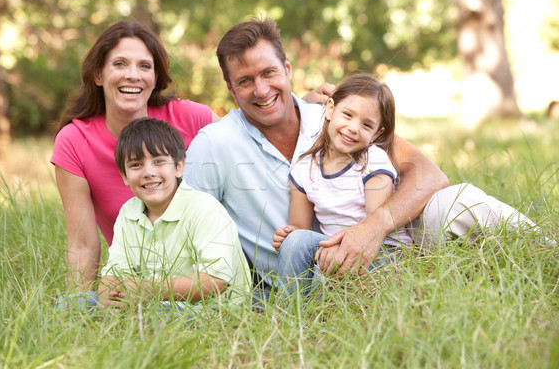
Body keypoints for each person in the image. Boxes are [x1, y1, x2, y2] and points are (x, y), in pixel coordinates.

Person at [184, 16, 539, 299]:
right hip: (312, 280)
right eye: (245, 81)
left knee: (462, 201)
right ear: (231, 89)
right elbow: (184, 226)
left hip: (391, 247)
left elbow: (429, 175)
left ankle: (555, 254)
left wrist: (372, 229)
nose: (261, 90)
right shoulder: (214, 145)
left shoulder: (332, 115)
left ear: (288, 69)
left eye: (269, 73)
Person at [51, 21, 218, 302]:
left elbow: (245, 139)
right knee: (70, 305)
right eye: (119, 64)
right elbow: (82, 243)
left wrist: (299, 108)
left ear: (155, 78)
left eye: (144, 66)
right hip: (137, 278)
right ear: (98, 75)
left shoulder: (190, 117)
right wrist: (79, 310)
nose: (133, 76)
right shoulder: (74, 141)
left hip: (205, 275)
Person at [272, 74, 411, 293]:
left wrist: (338, 249)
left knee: (327, 269)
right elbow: (300, 229)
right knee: (298, 243)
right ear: (330, 109)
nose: (354, 128)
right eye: (347, 114)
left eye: (367, 125)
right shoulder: (304, 168)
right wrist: (288, 237)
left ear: (377, 133)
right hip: (333, 250)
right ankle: (288, 311)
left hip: (383, 252)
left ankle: (324, 316)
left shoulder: (372, 160)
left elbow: (374, 226)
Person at [97, 118, 250, 314]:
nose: (148, 172)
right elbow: (114, 274)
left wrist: (149, 290)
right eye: (136, 165)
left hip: (209, 309)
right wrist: (106, 297)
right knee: (72, 303)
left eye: (159, 161)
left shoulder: (204, 209)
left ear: (179, 166)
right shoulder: (128, 213)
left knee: (157, 316)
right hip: (150, 300)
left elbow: (215, 281)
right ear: (124, 175)